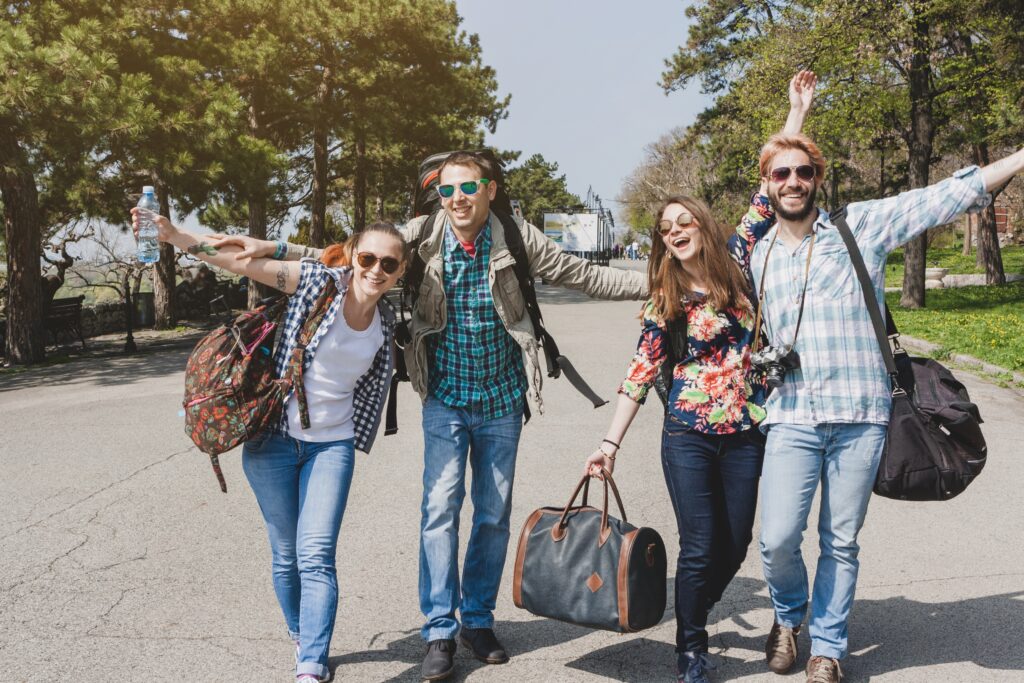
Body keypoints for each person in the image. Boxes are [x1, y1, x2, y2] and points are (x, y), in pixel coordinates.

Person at [207, 150, 647, 681]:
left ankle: (477, 620)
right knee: (439, 509)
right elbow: (353, 253)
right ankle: (439, 628)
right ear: (438, 195)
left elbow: (583, 275)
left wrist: (656, 284)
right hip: (443, 396)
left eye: (468, 188)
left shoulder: (515, 235)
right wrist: (275, 248)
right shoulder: (421, 234)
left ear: (490, 188)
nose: (457, 199)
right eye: (447, 190)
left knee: (492, 513)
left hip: (503, 399)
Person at [751, 125, 1024, 682]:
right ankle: (787, 616)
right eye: (782, 173)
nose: (794, 181)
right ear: (767, 185)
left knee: (840, 540)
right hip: (792, 417)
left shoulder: (861, 227)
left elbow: (943, 195)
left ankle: (827, 646)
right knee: (777, 537)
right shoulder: (758, 255)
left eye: (804, 172)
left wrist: (1019, 157)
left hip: (860, 415)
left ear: (817, 179)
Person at [583, 71, 815, 683]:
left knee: (737, 546)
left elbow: (769, 191)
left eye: (684, 221)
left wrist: (796, 114)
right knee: (701, 543)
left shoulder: (737, 262)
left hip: (746, 431)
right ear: (661, 242)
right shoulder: (663, 298)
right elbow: (640, 373)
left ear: (703, 226)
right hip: (686, 433)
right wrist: (609, 443)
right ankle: (691, 645)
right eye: (665, 228)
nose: (675, 230)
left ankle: (692, 611)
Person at [131, 209, 407, 683]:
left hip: (332, 445)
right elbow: (238, 263)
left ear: (401, 271)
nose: (376, 271)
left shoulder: (388, 321)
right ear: (353, 256)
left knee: (317, 553)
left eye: (389, 264)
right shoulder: (318, 283)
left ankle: (311, 663)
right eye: (368, 258)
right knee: (286, 554)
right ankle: (301, 633)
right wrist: (176, 236)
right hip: (272, 439)